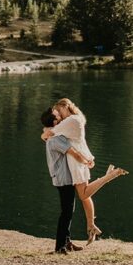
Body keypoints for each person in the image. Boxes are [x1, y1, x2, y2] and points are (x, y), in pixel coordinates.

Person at [42, 98, 128, 245]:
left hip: (76, 161)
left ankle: (109, 176)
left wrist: (45, 133)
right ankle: (91, 226)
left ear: (65, 106)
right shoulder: (78, 118)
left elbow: (47, 134)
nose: (59, 115)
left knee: (83, 193)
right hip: (80, 157)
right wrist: (88, 157)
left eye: (59, 110)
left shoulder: (69, 121)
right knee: (85, 197)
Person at [41, 106, 90, 254]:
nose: (60, 117)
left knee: (68, 211)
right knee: (66, 212)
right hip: (63, 178)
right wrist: (87, 161)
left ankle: (67, 242)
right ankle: (60, 247)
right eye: (57, 116)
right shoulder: (55, 139)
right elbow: (73, 152)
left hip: (64, 177)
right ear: (55, 122)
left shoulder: (54, 135)